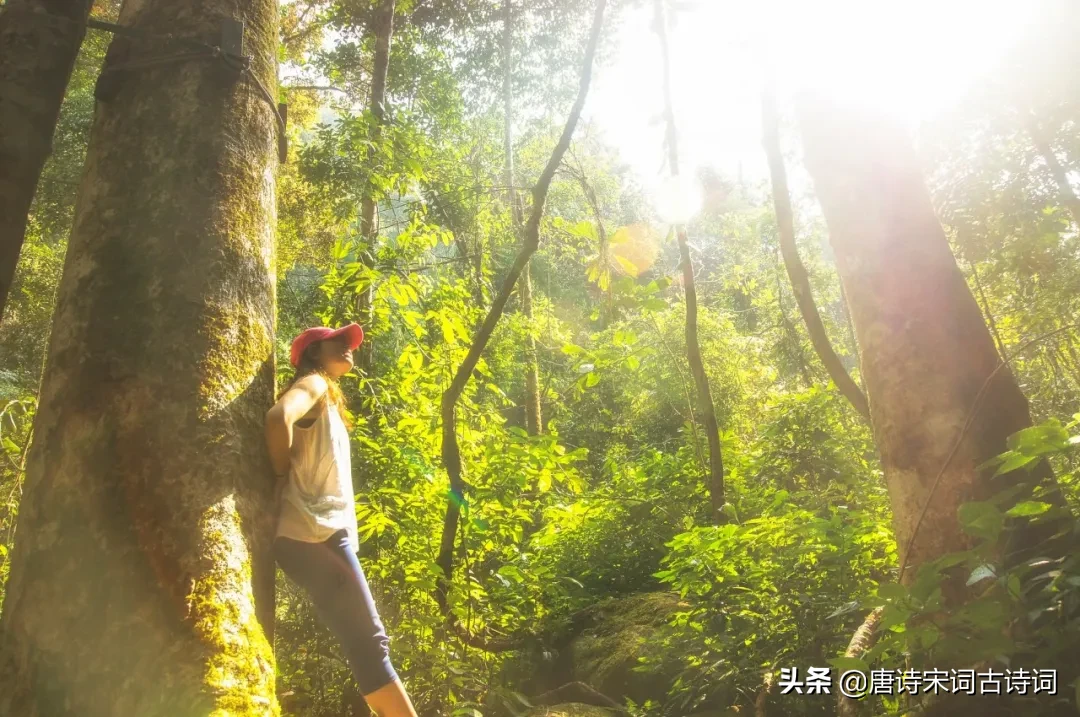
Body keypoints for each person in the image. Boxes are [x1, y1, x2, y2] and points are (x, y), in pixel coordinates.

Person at [265, 323, 418, 717]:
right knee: (369, 641)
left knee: (363, 641)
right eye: (338, 342)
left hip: (315, 536)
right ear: (314, 352)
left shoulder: (327, 398)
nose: (349, 347)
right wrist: (281, 478)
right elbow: (278, 417)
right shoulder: (313, 384)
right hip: (315, 533)